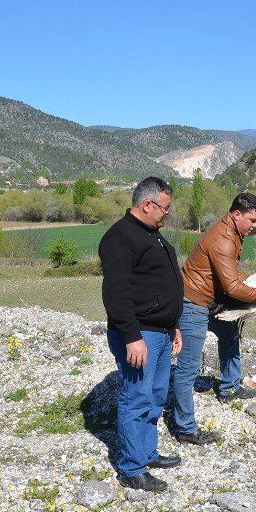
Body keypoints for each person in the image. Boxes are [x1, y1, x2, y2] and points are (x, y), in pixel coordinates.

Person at [170, 192, 256, 445]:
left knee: (229, 335)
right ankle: (185, 428)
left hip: (208, 300)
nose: (255, 226)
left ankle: (229, 387)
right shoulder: (224, 238)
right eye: (252, 220)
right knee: (188, 367)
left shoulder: (230, 233)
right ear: (236, 214)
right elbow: (231, 287)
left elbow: (227, 274)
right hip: (193, 304)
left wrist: (248, 279)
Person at [98, 176, 184, 492]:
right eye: (165, 208)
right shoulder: (121, 238)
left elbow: (159, 286)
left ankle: (147, 453)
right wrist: (132, 335)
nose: (167, 214)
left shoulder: (152, 235)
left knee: (155, 396)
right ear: (147, 205)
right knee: (137, 397)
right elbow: (117, 292)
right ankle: (132, 468)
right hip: (140, 334)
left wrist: (174, 324)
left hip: (161, 332)